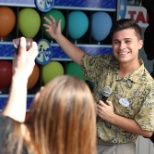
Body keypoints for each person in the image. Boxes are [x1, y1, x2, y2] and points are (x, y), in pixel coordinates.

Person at [43, 16, 154, 154]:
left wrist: (112, 117)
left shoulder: (147, 85)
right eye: (116, 42)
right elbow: (82, 59)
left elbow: (147, 130)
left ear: (139, 44)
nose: (122, 47)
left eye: (127, 41)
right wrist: (57, 36)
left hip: (118, 148)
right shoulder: (106, 63)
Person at [0, 38, 96, 154]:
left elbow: (7, 132)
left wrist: (20, 75)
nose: (39, 92)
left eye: (47, 93)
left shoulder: (11, 142)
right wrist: (21, 76)